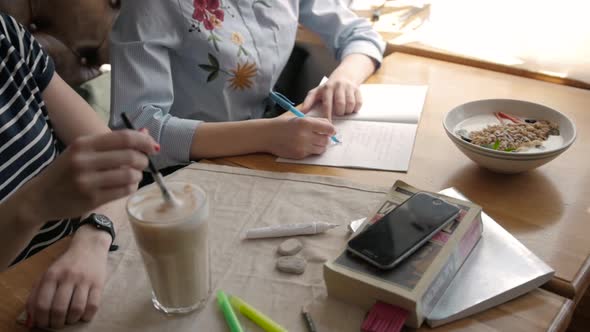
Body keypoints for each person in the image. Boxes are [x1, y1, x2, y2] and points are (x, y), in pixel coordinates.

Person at [0, 13, 159, 329]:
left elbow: (111, 156)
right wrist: (34, 204)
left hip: (84, 262)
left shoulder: (6, 36)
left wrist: (92, 238)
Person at [109, 0, 385, 171]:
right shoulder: (150, 6)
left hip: (266, 153)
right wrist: (266, 136)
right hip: (187, 171)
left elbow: (359, 33)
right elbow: (137, 130)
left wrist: (344, 79)